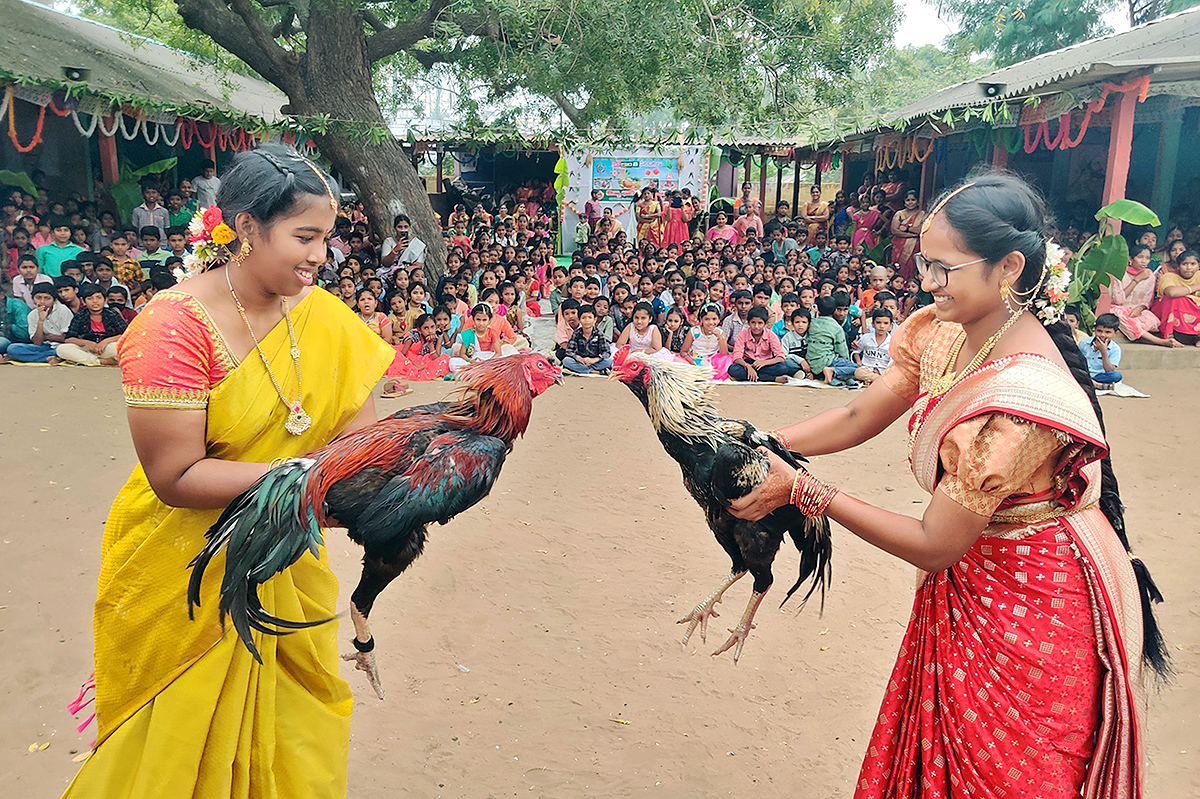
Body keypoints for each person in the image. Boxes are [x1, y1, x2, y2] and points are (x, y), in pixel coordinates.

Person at [727, 174, 1162, 799]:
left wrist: (804, 492)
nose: (926, 281)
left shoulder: (1018, 401)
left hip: (1032, 609)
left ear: (1009, 267)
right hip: (974, 584)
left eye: (943, 267)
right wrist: (765, 443)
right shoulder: (947, 331)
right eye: (924, 262)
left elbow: (935, 543)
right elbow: (858, 413)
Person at [61, 144, 395, 799]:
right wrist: (306, 477)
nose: (320, 256)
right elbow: (175, 475)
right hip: (188, 570)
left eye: (326, 238)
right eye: (304, 236)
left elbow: (365, 447)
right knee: (174, 747)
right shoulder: (173, 327)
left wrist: (386, 481)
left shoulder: (326, 320)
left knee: (293, 731)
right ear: (245, 228)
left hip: (285, 560)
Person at [1106, 243, 1179, 347]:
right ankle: (1159, 341)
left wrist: (1140, 308)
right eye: (1140, 257)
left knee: (1152, 321)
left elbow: (1147, 301)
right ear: (1130, 259)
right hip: (1119, 308)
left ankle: (1140, 335)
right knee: (1120, 313)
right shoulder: (1120, 273)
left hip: (1137, 310)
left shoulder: (1150, 275)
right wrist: (1137, 279)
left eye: (1147, 258)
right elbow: (1118, 300)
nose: (1144, 261)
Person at [57, 283, 126, 366]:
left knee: (121, 348)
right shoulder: (80, 316)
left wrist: (105, 342)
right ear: (84, 301)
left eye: (99, 298)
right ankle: (101, 361)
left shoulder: (112, 314)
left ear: (105, 300)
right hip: (87, 350)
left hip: (106, 348)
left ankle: (84, 360)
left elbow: (125, 334)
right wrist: (86, 343)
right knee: (62, 349)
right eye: (90, 298)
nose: (95, 301)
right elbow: (68, 339)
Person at [728, 305, 795, 383]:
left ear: (765, 324)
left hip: (766, 364)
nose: (756, 326)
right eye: (753, 323)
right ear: (748, 323)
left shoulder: (770, 335)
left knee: (783, 367)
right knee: (733, 369)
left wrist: (764, 363)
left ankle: (746, 377)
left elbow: (781, 357)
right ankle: (773, 379)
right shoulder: (742, 335)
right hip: (748, 363)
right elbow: (737, 357)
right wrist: (748, 366)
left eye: (760, 323)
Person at [8, 283, 70, 363]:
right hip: (44, 347)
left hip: (61, 346)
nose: (42, 302)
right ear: (33, 299)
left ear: (54, 300)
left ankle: (56, 356)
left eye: (47, 298)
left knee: (65, 350)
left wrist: (47, 337)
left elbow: (66, 338)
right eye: (38, 298)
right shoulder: (32, 315)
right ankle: (55, 358)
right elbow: (37, 343)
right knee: (12, 349)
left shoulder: (63, 311)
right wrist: (40, 321)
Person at [1152, 248, 1200, 344]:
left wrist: (1184, 292)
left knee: (1183, 299)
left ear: (1198, 266)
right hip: (1166, 310)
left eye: (1193, 264)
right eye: (1184, 264)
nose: (1189, 267)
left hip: (1192, 312)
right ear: (1178, 266)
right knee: (1175, 300)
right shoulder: (1169, 276)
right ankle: (1169, 334)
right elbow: (1171, 292)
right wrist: (1196, 288)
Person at [807, 294, 858, 384]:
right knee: (856, 368)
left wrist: (812, 312)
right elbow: (842, 351)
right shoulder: (836, 328)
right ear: (834, 310)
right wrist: (846, 362)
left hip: (811, 362)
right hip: (827, 361)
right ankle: (834, 371)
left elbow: (809, 316)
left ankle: (835, 379)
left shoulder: (812, 322)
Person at [563, 304, 612, 374]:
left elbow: (606, 352)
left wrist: (595, 359)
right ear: (579, 320)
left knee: (608, 361)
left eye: (590, 317)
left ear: (595, 319)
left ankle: (583, 370)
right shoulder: (576, 333)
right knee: (566, 361)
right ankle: (593, 371)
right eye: (583, 318)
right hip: (581, 361)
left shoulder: (599, 334)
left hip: (594, 361)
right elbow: (569, 351)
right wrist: (578, 358)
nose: (587, 320)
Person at [1080, 313, 1123, 387]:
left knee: (1116, 376)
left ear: (1115, 333)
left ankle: (1090, 382)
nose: (1102, 335)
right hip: (1082, 373)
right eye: (1099, 331)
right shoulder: (1084, 342)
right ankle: (1096, 385)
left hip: (1099, 376)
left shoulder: (1115, 349)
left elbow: (1109, 370)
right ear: (1095, 330)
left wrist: (1104, 352)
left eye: (1108, 332)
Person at [852, 308, 893, 385]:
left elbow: (891, 364)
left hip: (884, 372)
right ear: (873, 324)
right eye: (878, 322)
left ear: (890, 326)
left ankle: (872, 380)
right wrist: (859, 363)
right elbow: (856, 350)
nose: (881, 326)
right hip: (866, 369)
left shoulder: (892, 342)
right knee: (858, 372)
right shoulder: (866, 338)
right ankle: (878, 380)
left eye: (885, 323)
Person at [889, 191, 924, 279]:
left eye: (913, 200)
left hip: (915, 247)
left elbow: (921, 230)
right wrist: (911, 235)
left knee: (912, 268)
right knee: (898, 268)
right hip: (899, 246)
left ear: (917, 201)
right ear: (904, 202)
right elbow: (894, 230)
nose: (910, 202)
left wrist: (906, 228)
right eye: (908, 200)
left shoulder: (922, 214)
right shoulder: (899, 214)